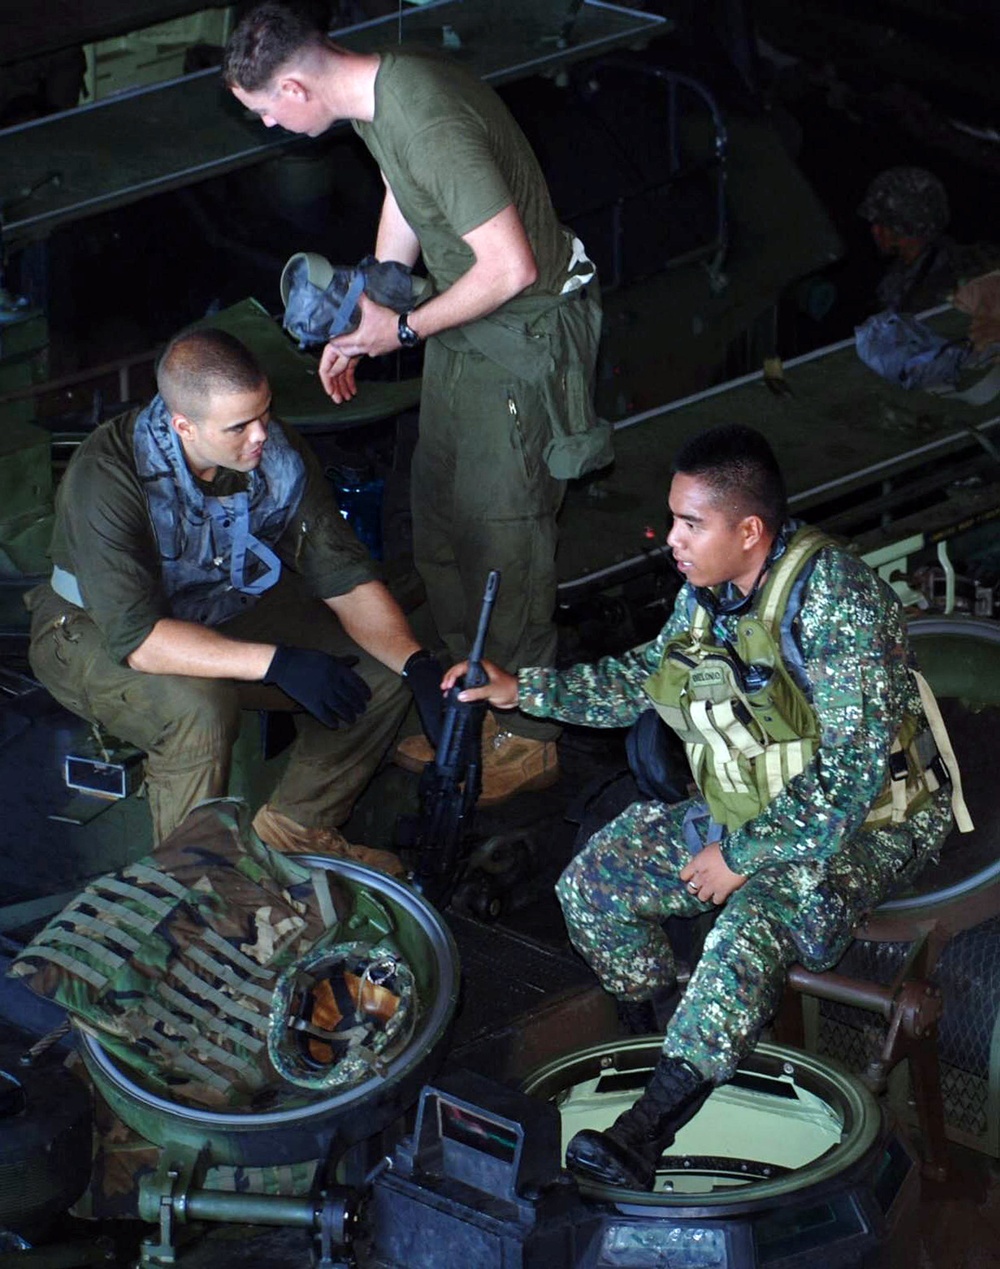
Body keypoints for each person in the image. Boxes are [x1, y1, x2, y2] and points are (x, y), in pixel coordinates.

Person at [444, 423, 962, 1190]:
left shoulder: (837, 604)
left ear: (749, 530)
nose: (673, 540)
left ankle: (646, 1129)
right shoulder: (707, 593)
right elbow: (648, 676)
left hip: (874, 822)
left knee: (750, 923)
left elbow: (851, 784)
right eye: (674, 519)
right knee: (594, 882)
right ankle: (664, 1033)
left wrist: (739, 856)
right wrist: (521, 688)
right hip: (754, 801)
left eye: (691, 523)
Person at [222, 3, 611, 806]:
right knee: (440, 523)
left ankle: (529, 734)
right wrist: (373, 300)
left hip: (519, 344)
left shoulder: (428, 118)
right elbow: (406, 191)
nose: (266, 124)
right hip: (466, 334)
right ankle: (466, 696)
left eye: (264, 110)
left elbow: (509, 266)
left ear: (295, 85)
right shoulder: (378, 93)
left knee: (506, 542)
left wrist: (400, 329)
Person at [25, 325, 446, 875]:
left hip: (220, 600)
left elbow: (342, 573)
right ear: (183, 426)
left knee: (378, 670)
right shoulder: (106, 476)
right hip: (91, 627)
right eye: (238, 426)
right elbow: (141, 640)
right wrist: (279, 662)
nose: (260, 436)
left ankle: (298, 829)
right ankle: (191, 889)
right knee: (200, 709)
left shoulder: (275, 455)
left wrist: (415, 665)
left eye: (264, 414)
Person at [858, 165, 970, 314]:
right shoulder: (901, 272)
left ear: (906, 227)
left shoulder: (950, 277)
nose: (875, 230)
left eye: (882, 223)